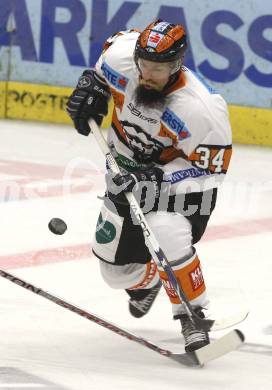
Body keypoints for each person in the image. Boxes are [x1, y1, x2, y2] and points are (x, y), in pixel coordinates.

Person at [66, 20, 232, 353]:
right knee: (115, 273)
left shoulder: (201, 110)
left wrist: (156, 179)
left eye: (160, 68)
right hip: (122, 171)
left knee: (165, 229)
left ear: (177, 65)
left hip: (182, 185)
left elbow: (210, 171)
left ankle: (192, 314)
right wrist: (91, 87)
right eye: (144, 64)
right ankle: (152, 280)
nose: (148, 74)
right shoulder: (121, 57)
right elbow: (100, 71)